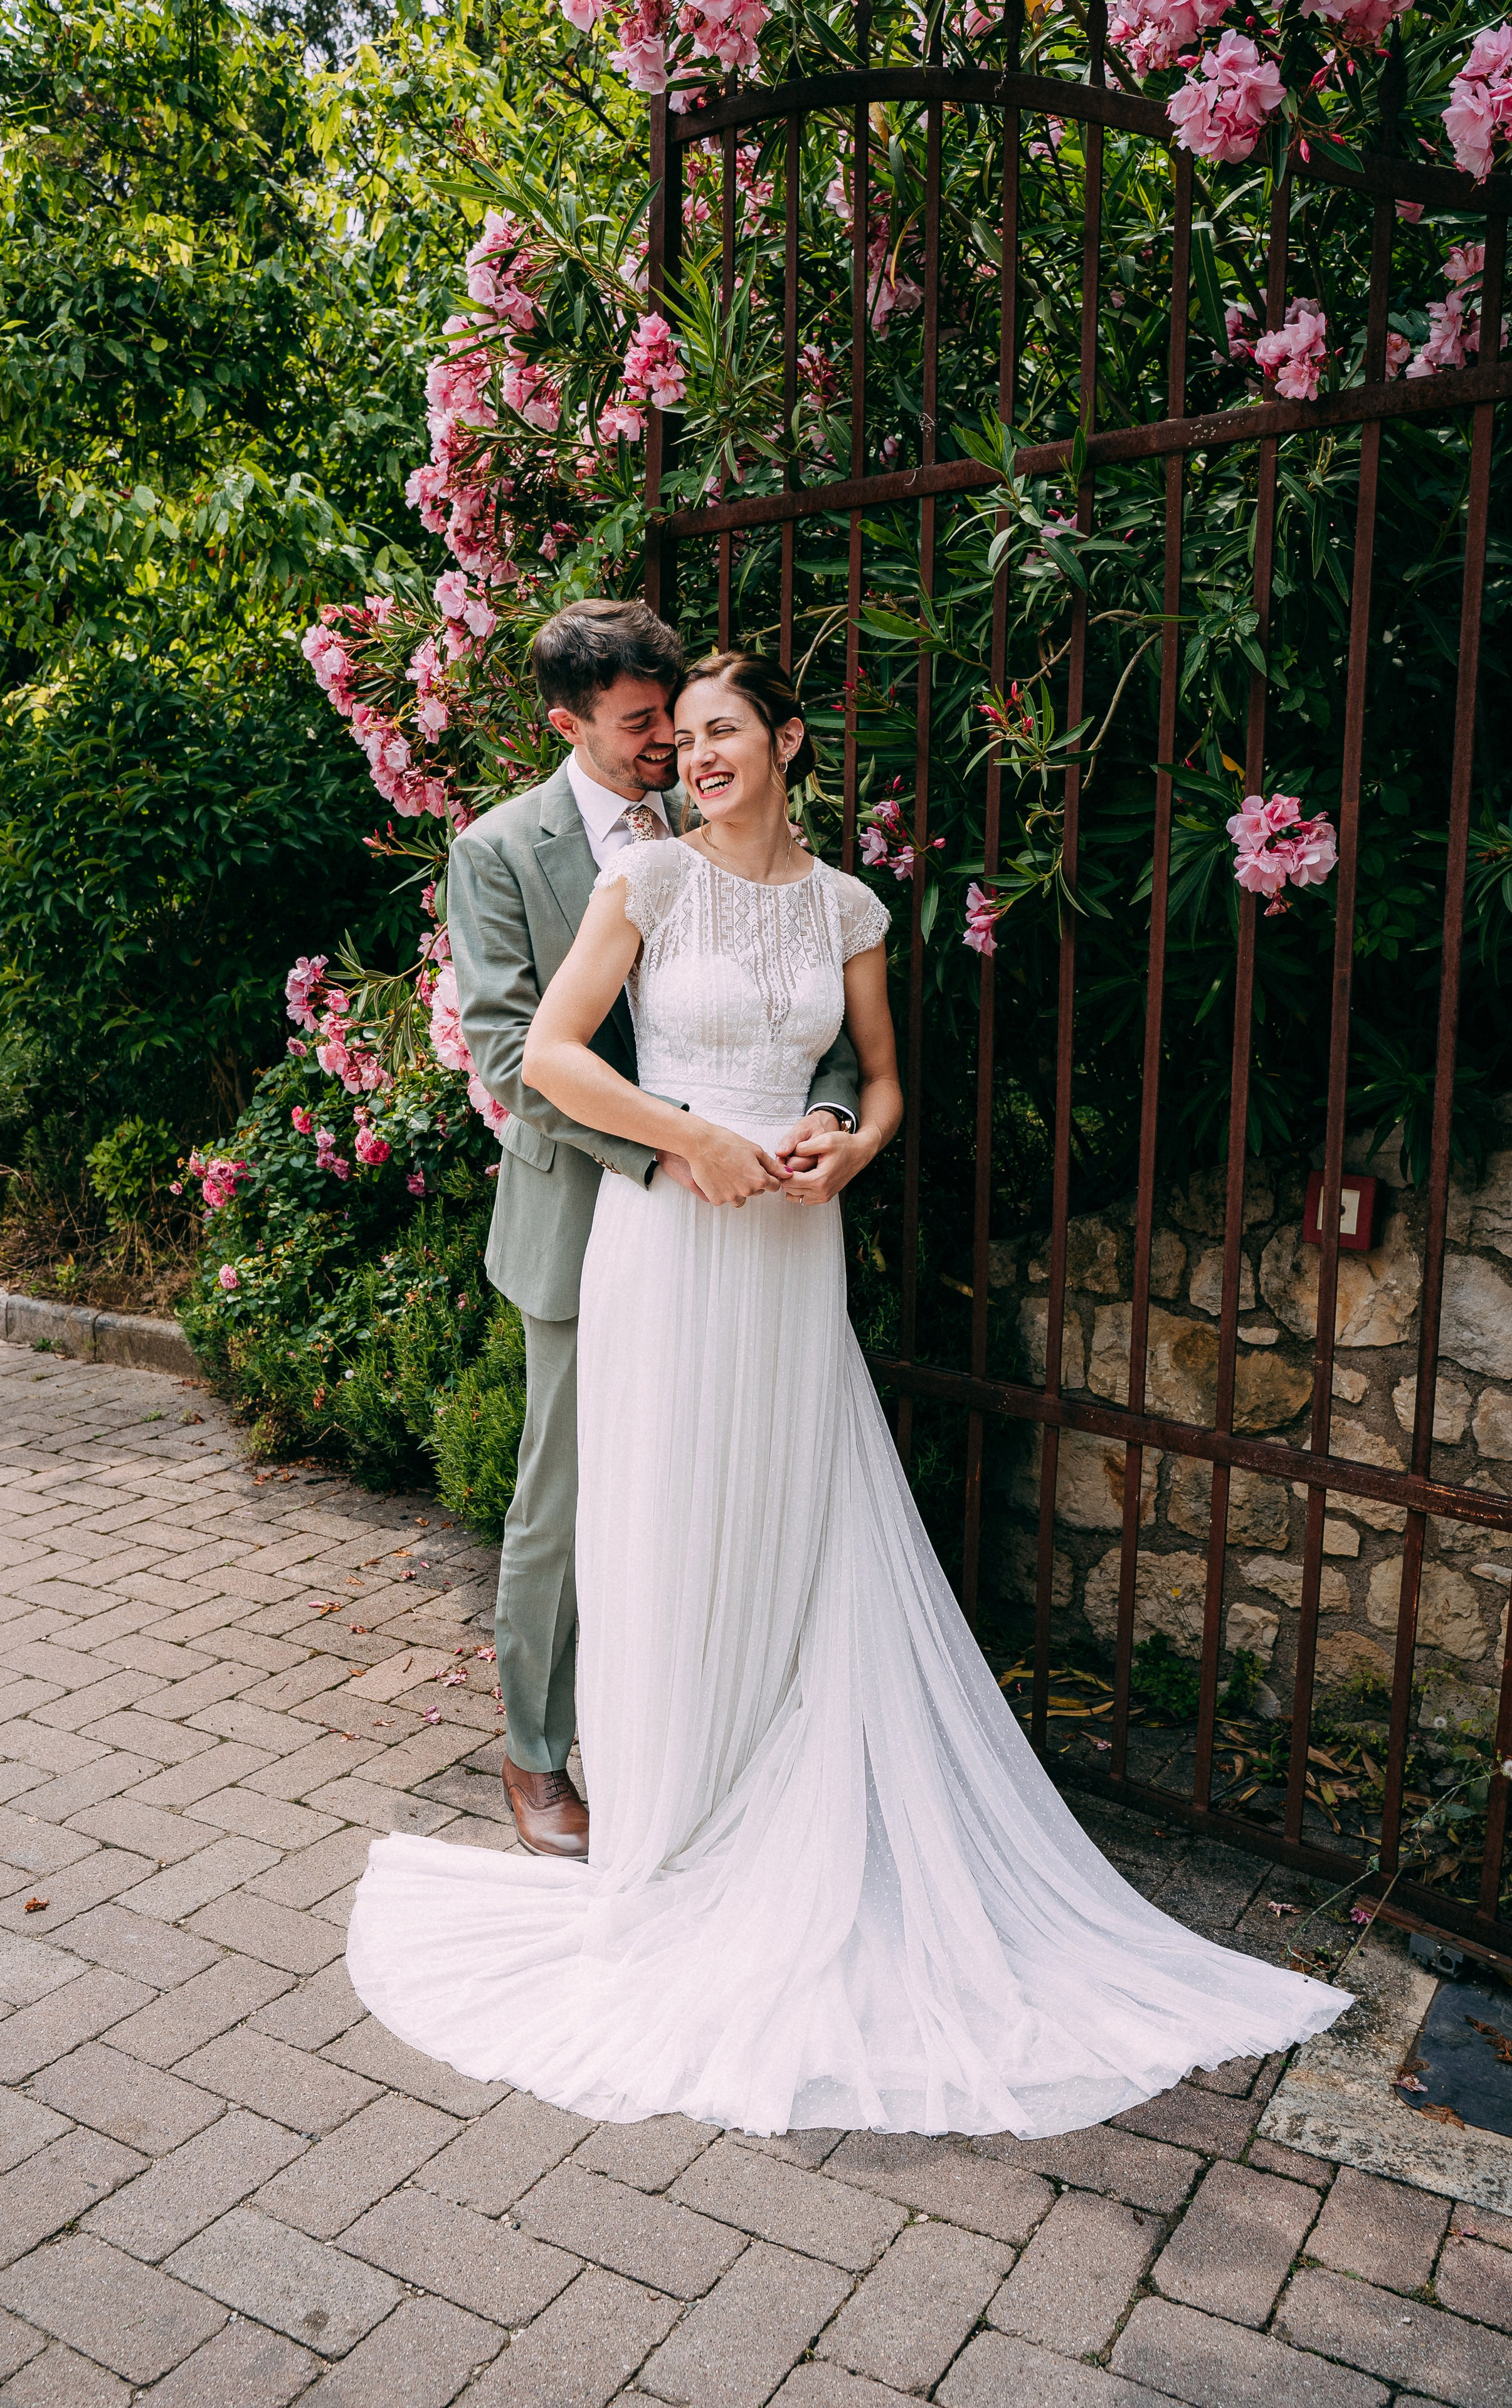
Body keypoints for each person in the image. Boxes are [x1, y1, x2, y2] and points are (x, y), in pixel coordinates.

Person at [347, 645, 1350, 2139]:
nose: (693, 755)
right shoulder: (648, 887)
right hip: (671, 1231)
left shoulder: (848, 908)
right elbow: (550, 1056)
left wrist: (852, 1144)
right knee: (665, 1508)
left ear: (786, 742)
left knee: (789, 1503)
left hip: (791, 1237)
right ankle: (668, 1817)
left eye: (720, 731)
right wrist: (688, 1139)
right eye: (676, 735)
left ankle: (780, 1787)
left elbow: (877, 1079)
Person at [442, 600, 861, 1859]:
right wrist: (677, 1144)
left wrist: (830, 1112)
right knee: (568, 1499)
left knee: (705, 1487)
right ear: (566, 723)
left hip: (744, 1227)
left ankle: (688, 1735)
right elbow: (516, 1054)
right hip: (589, 1215)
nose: (665, 748)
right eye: (638, 728)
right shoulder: (501, 849)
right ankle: (534, 1754)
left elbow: (819, 1012)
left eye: (674, 722)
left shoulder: (717, 825)